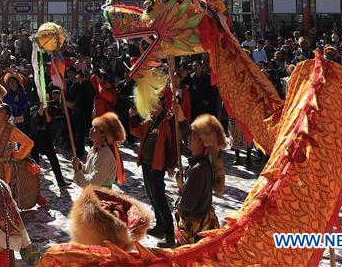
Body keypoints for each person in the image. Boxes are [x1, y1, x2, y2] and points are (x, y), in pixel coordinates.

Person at [129, 89, 180, 248]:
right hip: (146, 163)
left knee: (159, 198)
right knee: (152, 196)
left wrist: (171, 165)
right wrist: (132, 118)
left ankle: (170, 235)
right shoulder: (151, 119)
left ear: (159, 103)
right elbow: (136, 131)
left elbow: (173, 145)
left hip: (157, 165)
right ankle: (159, 227)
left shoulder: (168, 119)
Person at [174, 112, 226, 245]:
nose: (189, 138)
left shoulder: (198, 169)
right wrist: (180, 116)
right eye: (191, 134)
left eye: (194, 135)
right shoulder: (202, 162)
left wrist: (180, 186)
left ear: (204, 142)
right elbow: (187, 136)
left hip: (194, 231)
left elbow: (186, 204)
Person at [0, 103, 34, 186]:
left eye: (0, 110)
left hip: (8, 168)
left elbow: (29, 143)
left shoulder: (11, 130)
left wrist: (17, 155)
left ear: (7, 116)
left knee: (7, 192)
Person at [72, 111, 126, 189]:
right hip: (93, 195)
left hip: (101, 197)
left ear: (103, 135)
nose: (90, 129)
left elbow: (93, 184)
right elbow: (89, 171)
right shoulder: (94, 150)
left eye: (95, 128)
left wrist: (78, 172)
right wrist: (79, 166)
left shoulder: (104, 155)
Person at [30, 90, 68, 187]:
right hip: (36, 139)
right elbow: (36, 117)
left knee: (54, 161)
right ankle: (33, 183)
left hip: (46, 138)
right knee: (34, 163)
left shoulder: (51, 109)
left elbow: (49, 121)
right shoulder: (33, 108)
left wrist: (46, 110)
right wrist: (42, 107)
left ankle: (60, 181)